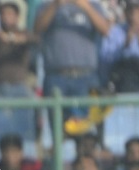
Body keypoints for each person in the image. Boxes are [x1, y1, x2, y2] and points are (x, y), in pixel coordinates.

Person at [33, 0, 110, 130]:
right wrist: (56, 5)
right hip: (56, 77)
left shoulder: (94, 5)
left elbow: (105, 30)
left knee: (88, 130)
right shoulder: (46, 6)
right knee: (58, 129)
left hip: (86, 76)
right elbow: (37, 29)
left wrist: (85, 6)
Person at [0, 0, 40, 97]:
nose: (6, 17)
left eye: (10, 14)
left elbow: (35, 40)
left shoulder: (24, 34)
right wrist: (0, 40)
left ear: (17, 17)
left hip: (20, 86)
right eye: (3, 14)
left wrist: (12, 38)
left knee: (36, 106)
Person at [99, 0, 139, 93]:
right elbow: (106, 60)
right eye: (130, 9)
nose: (133, 13)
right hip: (122, 82)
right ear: (125, 12)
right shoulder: (116, 31)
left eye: (137, 9)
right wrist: (125, 44)